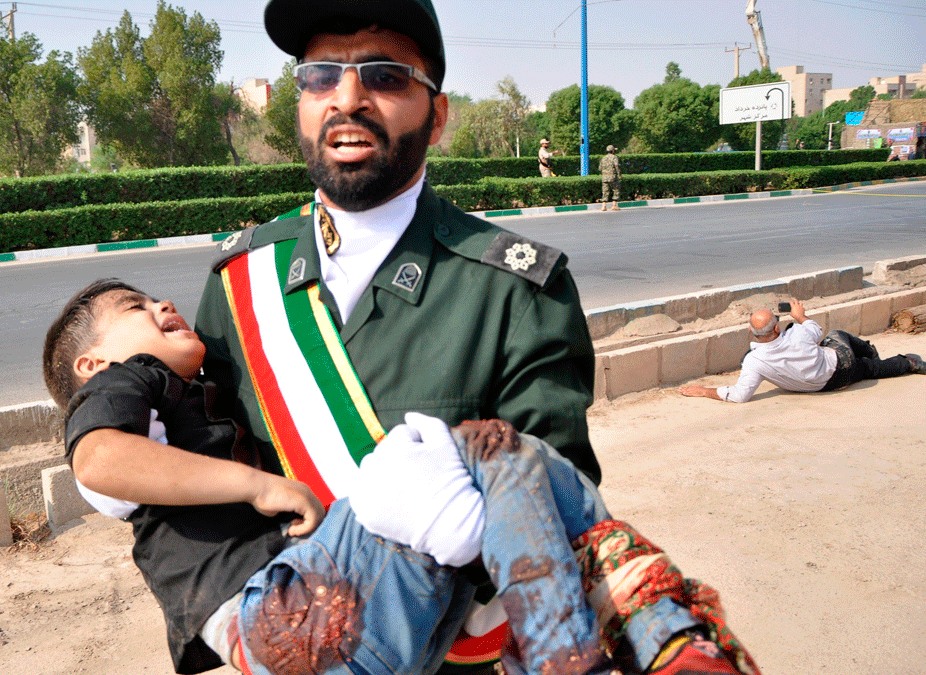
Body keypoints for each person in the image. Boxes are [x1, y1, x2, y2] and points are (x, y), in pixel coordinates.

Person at [193, 2, 753, 674]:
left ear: (438, 114)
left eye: (384, 75)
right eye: (320, 75)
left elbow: (556, 515)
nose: (347, 98)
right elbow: (201, 490)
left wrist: (457, 540)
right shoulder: (242, 280)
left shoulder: (518, 290)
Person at [45, 279, 759, 675]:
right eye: (136, 308)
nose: (162, 304)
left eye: (155, 297)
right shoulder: (124, 386)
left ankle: (623, 639)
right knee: (474, 451)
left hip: (353, 639)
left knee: (514, 466)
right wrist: (263, 487)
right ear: (92, 364)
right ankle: (644, 633)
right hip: (281, 614)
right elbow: (99, 461)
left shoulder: (193, 396)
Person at [679, 298, 925, 403]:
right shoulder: (798, 333)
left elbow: (739, 395)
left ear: (752, 333)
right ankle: (878, 355)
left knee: (865, 369)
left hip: (822, 387)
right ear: (777, 328)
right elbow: (816, 330)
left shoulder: (754, 361)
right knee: (837, 335)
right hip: (840, 365)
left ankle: (906, 362)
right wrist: (799, 315)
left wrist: (703, 391)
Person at [599, 145, 621, 211]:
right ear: (613, 151)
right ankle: (614, 205)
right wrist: (619, 174)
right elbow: (616, 166)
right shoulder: (614, 157)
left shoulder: (603, 158)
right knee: (616, 190)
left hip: (604, 177)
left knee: (605, 191)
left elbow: (600, 168)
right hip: (613, 176)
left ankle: (604, 206)